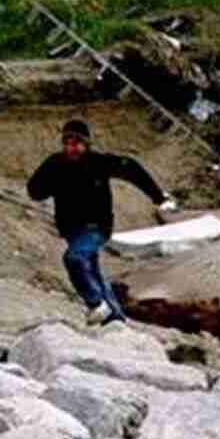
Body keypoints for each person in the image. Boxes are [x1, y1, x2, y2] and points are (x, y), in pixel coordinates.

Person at [27, 119, 177, 325]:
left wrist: (158, 197)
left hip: (96, 227)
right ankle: (116, 319)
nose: (72, 148)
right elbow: (35, 191)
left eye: (77, 143)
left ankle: (96, 303)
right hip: (71, 229)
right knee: (92, 272)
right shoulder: (55, 163)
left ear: (86, 144)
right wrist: (53, 184)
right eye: (67, 143)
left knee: (74, 259)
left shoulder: (98, 163)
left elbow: (132, 169)